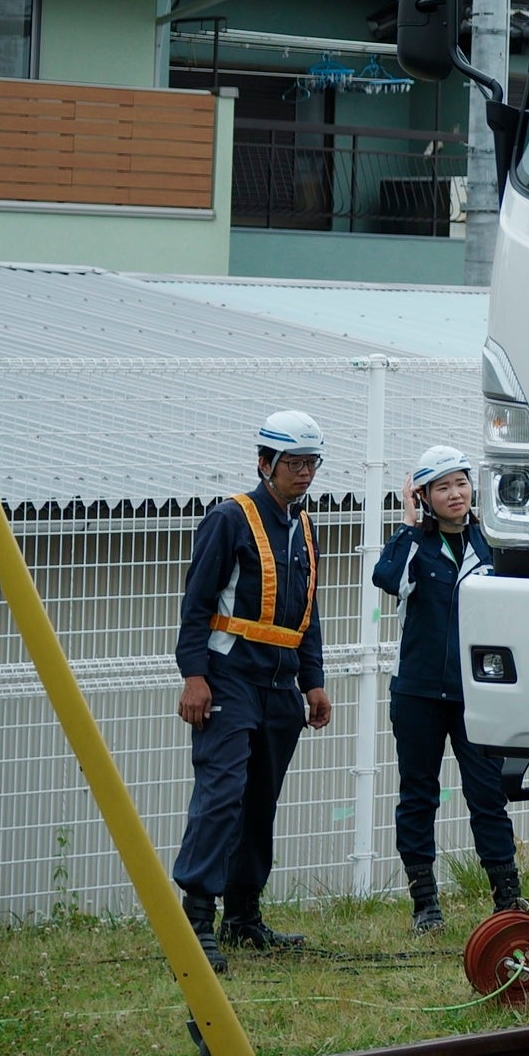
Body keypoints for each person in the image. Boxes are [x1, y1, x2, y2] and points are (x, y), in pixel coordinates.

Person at [173, 407, 332, 965]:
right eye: (294, 462)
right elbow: (195, 604)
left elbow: (306, 614)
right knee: (222, 795)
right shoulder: (229, 518)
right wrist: (194, 676)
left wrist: (313, 682)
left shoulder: (306, 526)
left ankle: (244, 917)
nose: (304, 473)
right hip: (229, 680)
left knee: (260, 800)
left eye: (312, 462)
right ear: (264, 461)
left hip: (281, 684)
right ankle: (197, 919)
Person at [372, 443, 527, 932]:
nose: (455, 494)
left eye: (461, 482)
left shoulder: (491, 541)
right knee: (418, 795)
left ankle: (509, 900)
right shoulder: (414, 546)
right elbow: (386, 577)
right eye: (442, 487)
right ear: (423, 495)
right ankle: (425, 905)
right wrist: (408, 522)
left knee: (487, 796)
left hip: (479, 692)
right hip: (417, 692)